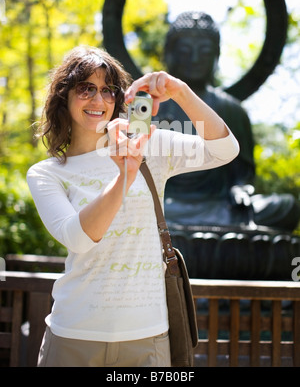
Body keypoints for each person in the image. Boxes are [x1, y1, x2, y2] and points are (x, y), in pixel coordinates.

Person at [27, 45, 239, 367]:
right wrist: (125, 175)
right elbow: (79, 238)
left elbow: (225, 149)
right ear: (64, 96)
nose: (98, 101)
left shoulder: (150, 146)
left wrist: (179, 91)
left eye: (108, 90)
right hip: (75, 336)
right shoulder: (47, 173)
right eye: (86, 88)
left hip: (148, 336)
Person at [154, 11, 300, 230]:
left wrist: (240, 188)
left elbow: (242, 173)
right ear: (169, 54)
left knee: (285, 207)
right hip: (167, 203)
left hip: (218, 205)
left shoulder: (231, 109)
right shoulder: (149, 106)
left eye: (204, 52)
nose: (195, 60)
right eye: (185, 52)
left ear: (217, 57)